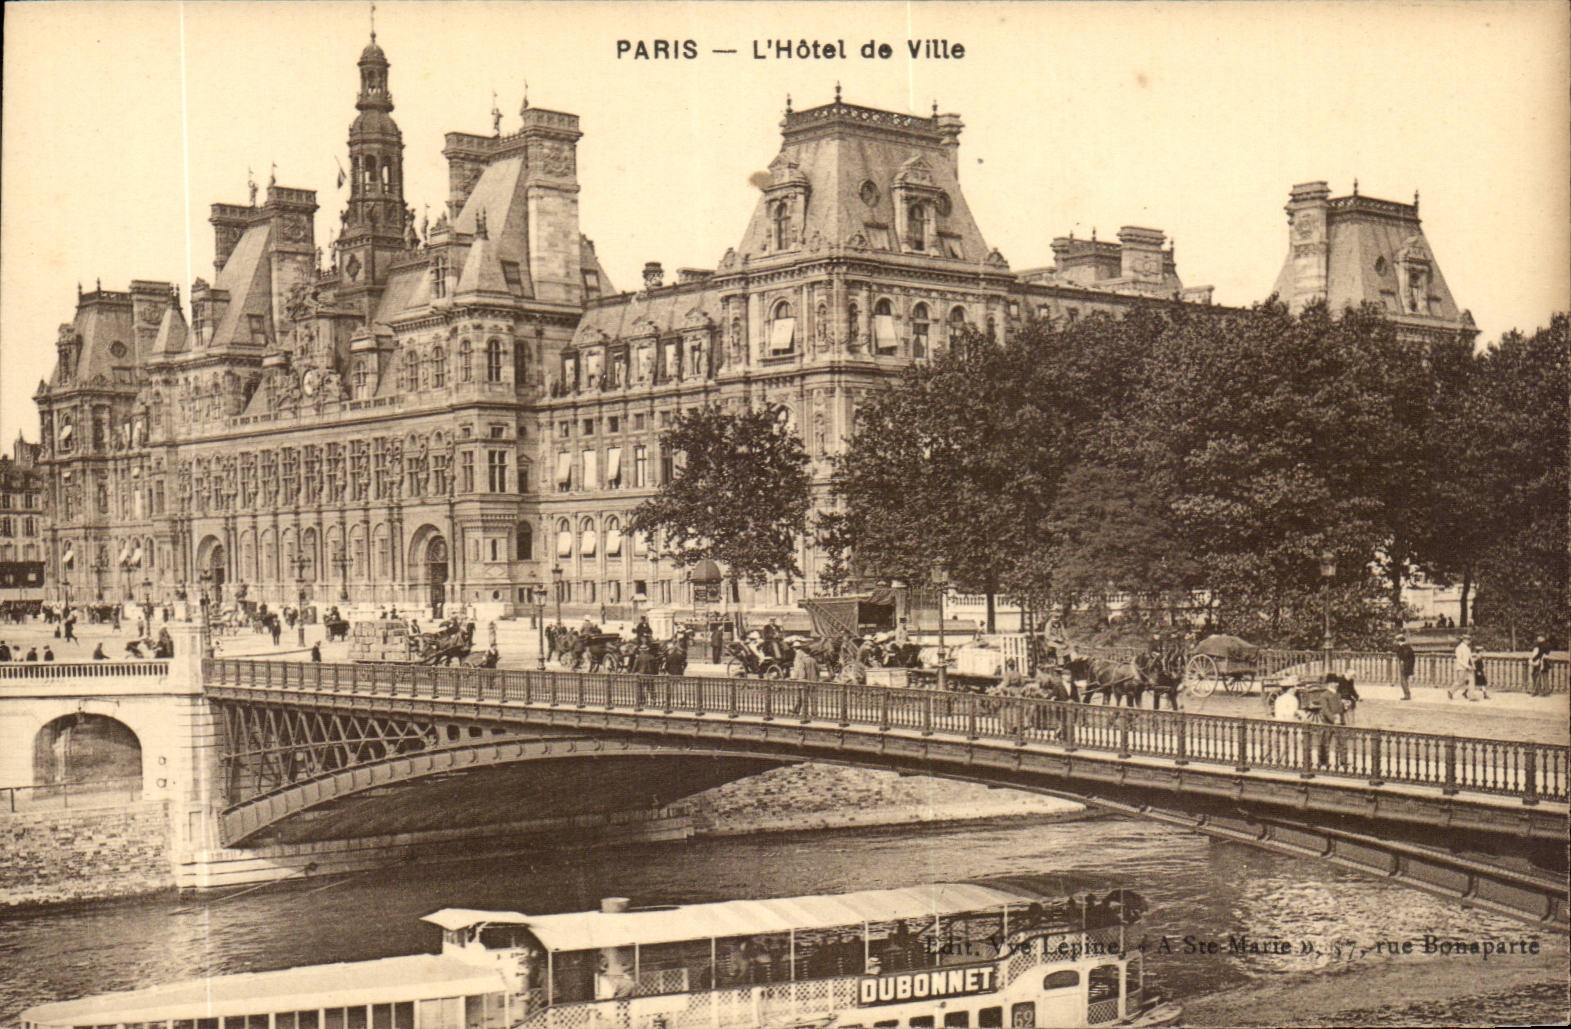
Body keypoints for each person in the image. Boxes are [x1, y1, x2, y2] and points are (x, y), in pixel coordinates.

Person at [1449, 634, 1474, 701]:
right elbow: (1459, 660)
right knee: (1461, 681)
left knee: (1469, 680)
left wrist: (1473, 665)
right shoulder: (1459, 648)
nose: (1468, 641)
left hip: (1467, 667)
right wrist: (1467, 666)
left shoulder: (1467, 648)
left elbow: (1470, 657)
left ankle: (1467, 693)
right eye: (1467, 640)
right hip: (1461, 667)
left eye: (1469, 640)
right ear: (1463, 640)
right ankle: (1451, 691)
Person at [1394, 634, 1416, 701]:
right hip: (1408, 665)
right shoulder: (1408, 647)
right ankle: (1407, 694)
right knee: (1404, 680)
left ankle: (1407, 695)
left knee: (1403, 680)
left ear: (1399, 641)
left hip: (1404, 665)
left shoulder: (1403, 647)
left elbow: (1403, 656)